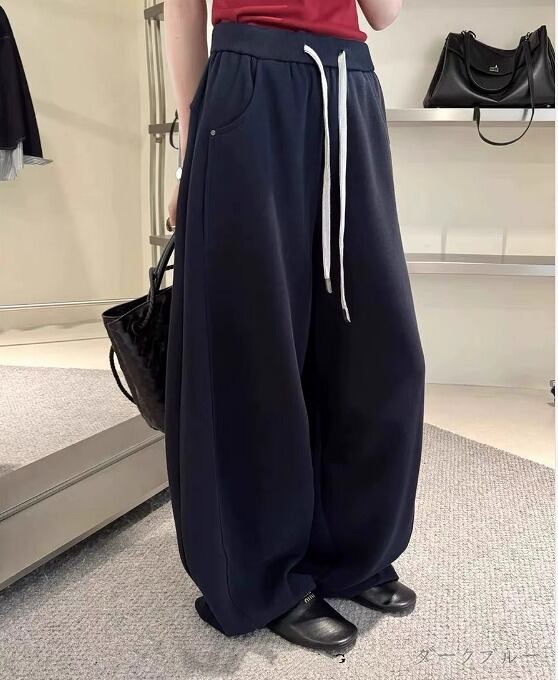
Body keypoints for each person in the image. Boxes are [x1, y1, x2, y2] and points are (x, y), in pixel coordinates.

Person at [163, 0, 425, 655]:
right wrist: (189, 150)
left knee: (374, 343)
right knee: (255, 345)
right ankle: (261, 575)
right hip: (247, 84)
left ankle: (354, 551)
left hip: (348, 86)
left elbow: (384, 13)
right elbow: (182, 12)